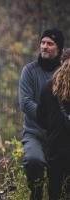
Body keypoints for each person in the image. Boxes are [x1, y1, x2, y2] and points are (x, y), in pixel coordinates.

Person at [18, 28, 64, 200]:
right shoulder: (29, 71)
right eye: (43, 43)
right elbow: (26, 103)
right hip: (35, 132)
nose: (45, 47)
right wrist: (49, 121)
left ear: (59, 48)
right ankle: (36, 194)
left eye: (50, 44)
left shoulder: (64, 73)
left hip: (61, 136)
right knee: (33, 160)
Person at [37, 48, 70, 200]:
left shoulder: (48, 86)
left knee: (55, 191)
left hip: (55, 146)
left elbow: (40, 118)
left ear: (61, 61)